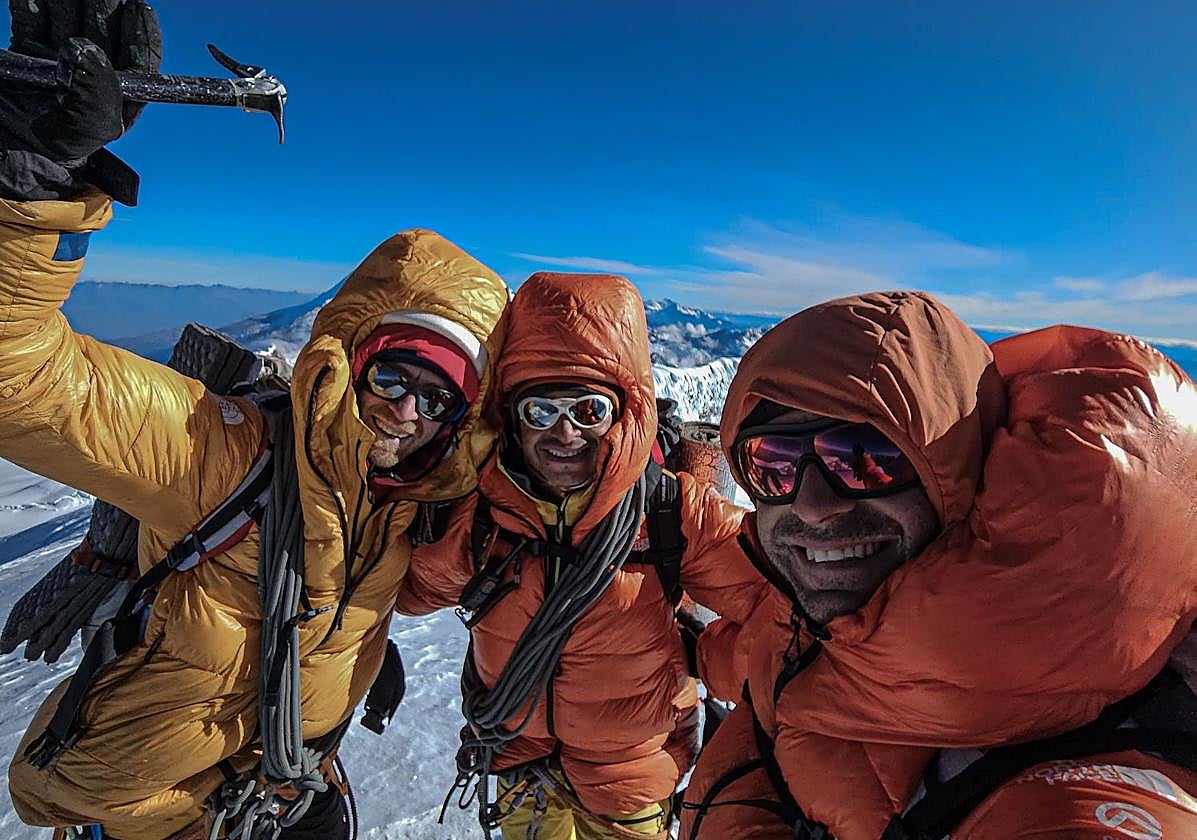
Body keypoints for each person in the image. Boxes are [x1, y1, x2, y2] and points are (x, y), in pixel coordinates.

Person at [0, 3, 509, 837]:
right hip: (143, 813)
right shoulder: (218, 449)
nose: (405, 410)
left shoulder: (412, 499)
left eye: (439, 397)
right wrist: (34, 175)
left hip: (291, 787)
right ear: (349, 362)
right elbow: (18, 376)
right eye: (390, 373)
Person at [681, 291, 1197, 838]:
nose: (811, 505)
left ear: (957, 475)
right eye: (773, 467)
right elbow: (776, 657)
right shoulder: (832, 617)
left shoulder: (1073, 771)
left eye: (865, 460)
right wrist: (687, 652)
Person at [395, 271, 769, 839]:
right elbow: (404, 591)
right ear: (513, 422)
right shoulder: (482, 518)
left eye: (589, 411)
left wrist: (712, 658)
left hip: (629, 781)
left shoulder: (671, 514)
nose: (565, 432)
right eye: (541, 412)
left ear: (623, 417)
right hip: (520, 767)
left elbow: (785, 607)